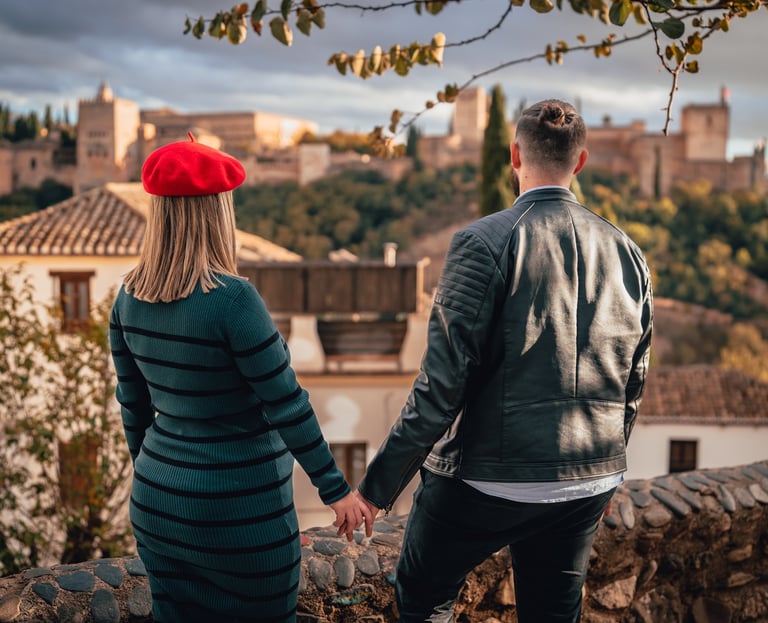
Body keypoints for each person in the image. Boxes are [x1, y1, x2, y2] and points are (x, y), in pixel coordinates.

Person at [355, 99, 653, 623]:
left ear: (514, 155)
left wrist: (376, 490)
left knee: (423, 597)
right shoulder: (628, 251)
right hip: (588, 480)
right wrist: (608, 469)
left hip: (490, 480)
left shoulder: (482, 242)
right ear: (579, 163)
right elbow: (633, 380)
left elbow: (441, 387)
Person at [109, 133, 370, 623]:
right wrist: (335, 490)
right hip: (240, 515)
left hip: (157, 505)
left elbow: (133, 408)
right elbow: (287, 403)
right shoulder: (233, 300)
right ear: (217, 212)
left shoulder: (127, 297)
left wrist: (164, 478)